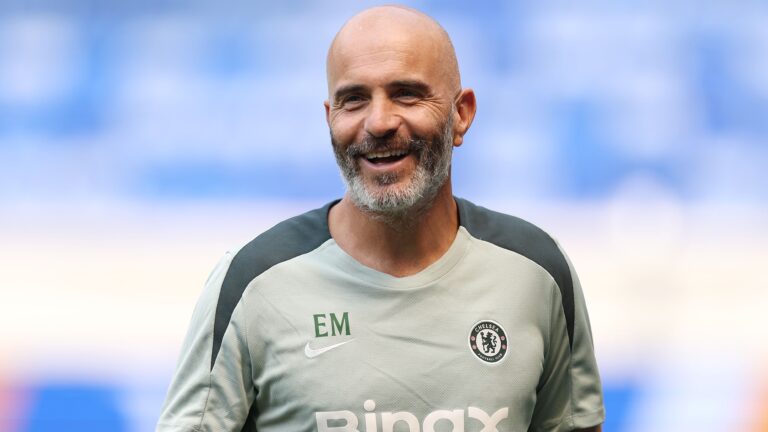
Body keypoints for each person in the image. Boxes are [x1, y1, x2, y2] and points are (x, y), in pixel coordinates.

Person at [157, 5, 605, 432]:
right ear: (330, 118)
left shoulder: (536, 272)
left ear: (461, 113)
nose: (379, 122)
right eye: (354, 100)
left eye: (406, 94)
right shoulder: (252, 282)